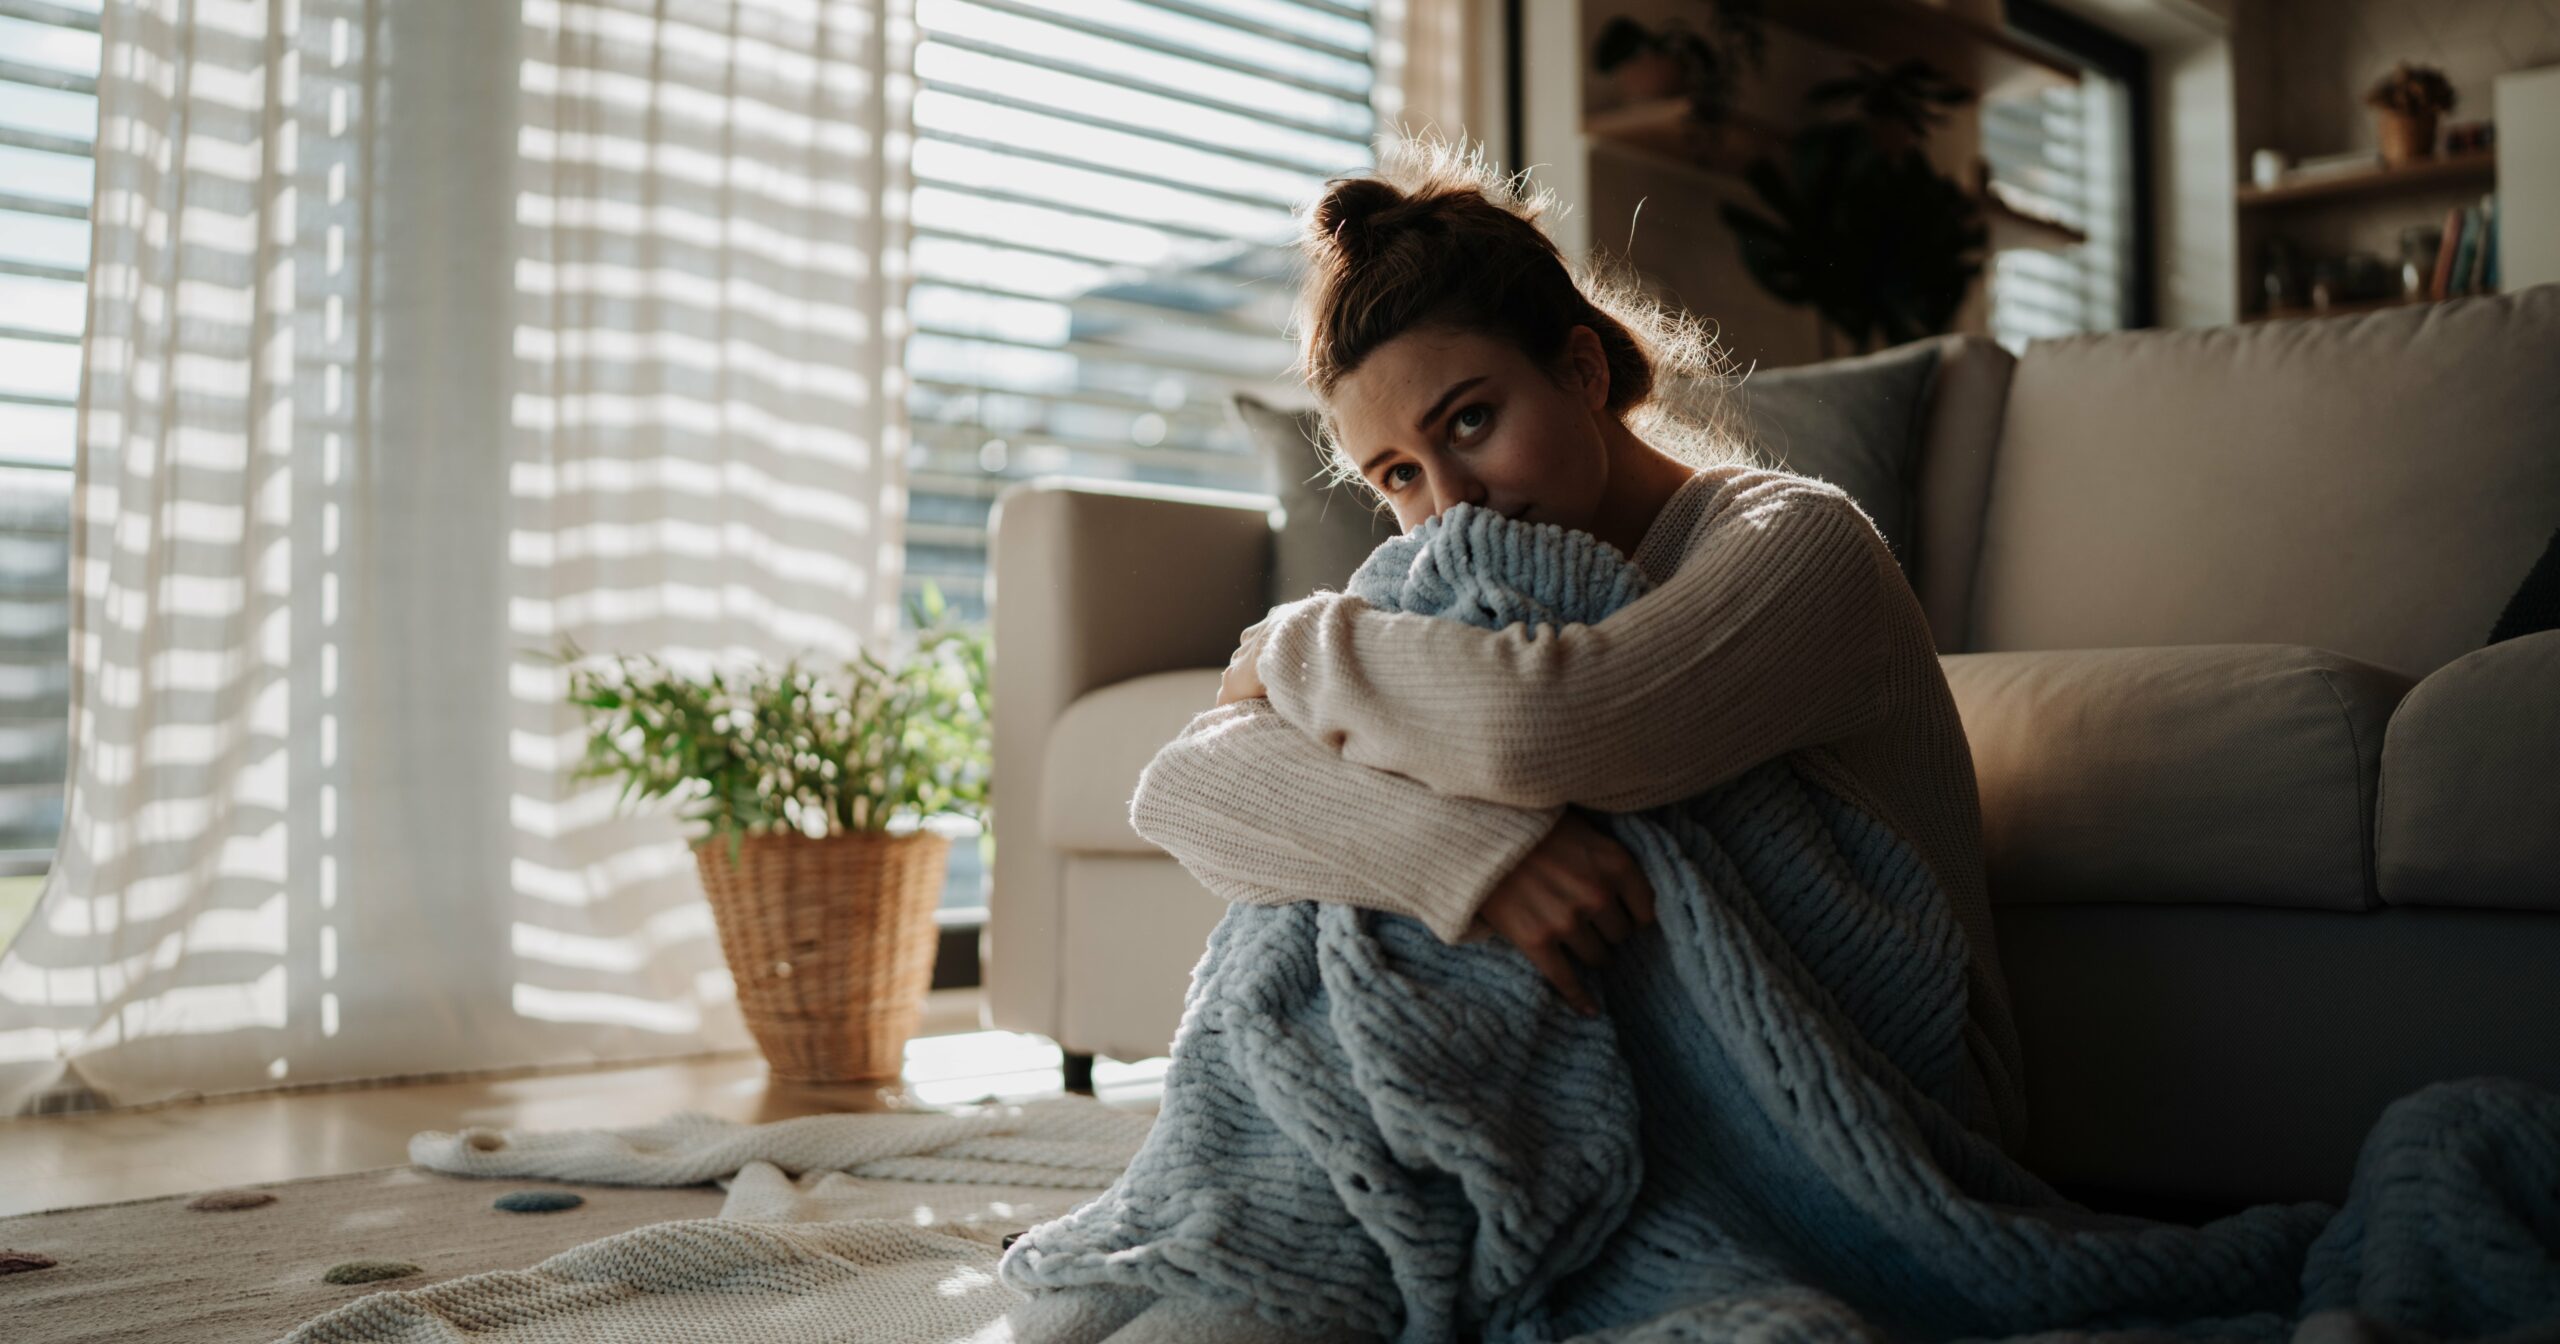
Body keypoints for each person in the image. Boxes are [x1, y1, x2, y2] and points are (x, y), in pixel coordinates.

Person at [1131, 140, 2025, 1150]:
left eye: (1469, 420)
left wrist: (1287, 645)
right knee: (1337, 898)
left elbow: (1553, 724)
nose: (1449, 504)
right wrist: (1479, 862)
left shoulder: (1801, 541)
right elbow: (1185, 787)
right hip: (1623, 1088)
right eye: (1398, 476)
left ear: (1580, 368)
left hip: (1873, 1084)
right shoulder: (1472, 590)